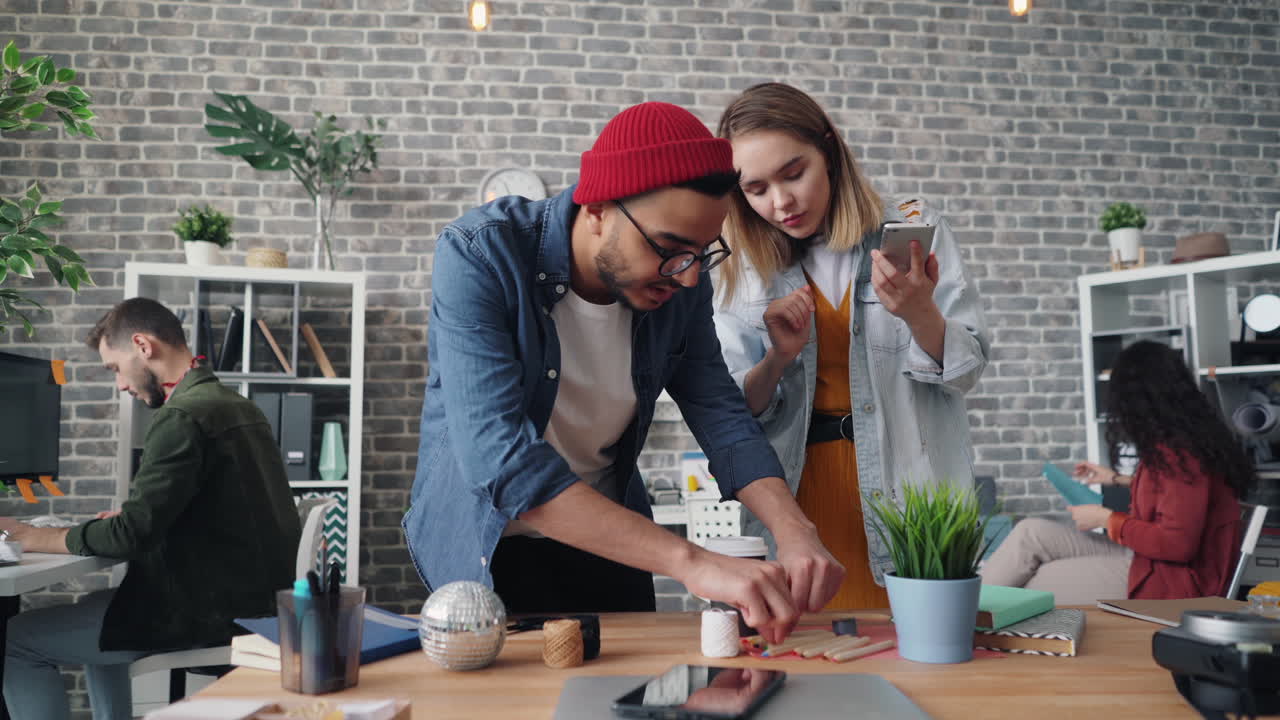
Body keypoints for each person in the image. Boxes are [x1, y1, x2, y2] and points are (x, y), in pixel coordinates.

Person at [401, 101, 844, 643]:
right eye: (669, 250)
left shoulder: (682, 278)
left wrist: (793, 528)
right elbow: (501, 462)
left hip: (613, 540)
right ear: (597, 209)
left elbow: (720, 410)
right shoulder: (482, 254)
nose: (685, 280)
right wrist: (694, 561)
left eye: (702, 254)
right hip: (484, 549)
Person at [712, 83, 990, 609]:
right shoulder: (740, 267)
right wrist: (778, 358)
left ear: (831, 149)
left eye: (794, 173)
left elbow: (965, 371)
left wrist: (919, 312)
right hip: (800, 500)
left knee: (920, 664)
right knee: (810, 665)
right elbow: (730, 410)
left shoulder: (913, 230)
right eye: (756, 189)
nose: (781, 201)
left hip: (909, 492)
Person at [0, 298, 301, 720]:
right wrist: (128, 520)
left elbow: (133, 535)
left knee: (14, 640)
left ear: (143, 346)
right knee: (95, 602)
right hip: (253, 603)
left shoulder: (183, 417)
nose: (121, 385)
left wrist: (34, 536)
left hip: (204, 613)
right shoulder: (237, 405)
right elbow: (204, 511)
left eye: (114, 369)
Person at [980, 340, 1246, 604]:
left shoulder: (1181, 455)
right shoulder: (1183, 445)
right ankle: (966, 613)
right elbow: (1178, 497)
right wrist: (1116, 479)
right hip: (1151, 562)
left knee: (1033, 581)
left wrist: (1107, 519)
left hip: (1173, 581)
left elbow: (1177, 544)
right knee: (1030, 533)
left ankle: (965, 619)